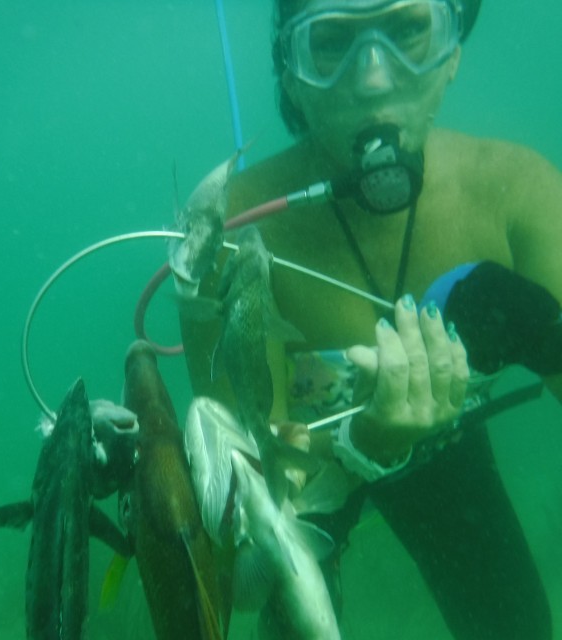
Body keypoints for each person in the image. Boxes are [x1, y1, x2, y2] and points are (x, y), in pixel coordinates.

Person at [180, 0, 562, 637]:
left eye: (412, 29)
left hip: (450, 449)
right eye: (332, 42)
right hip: (310, 474)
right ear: (292, 76)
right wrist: (367, 447)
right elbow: (249, 544)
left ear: (453, 56)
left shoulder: (517, 191)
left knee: (515, 626)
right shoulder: (232, 231)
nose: (375, 76)